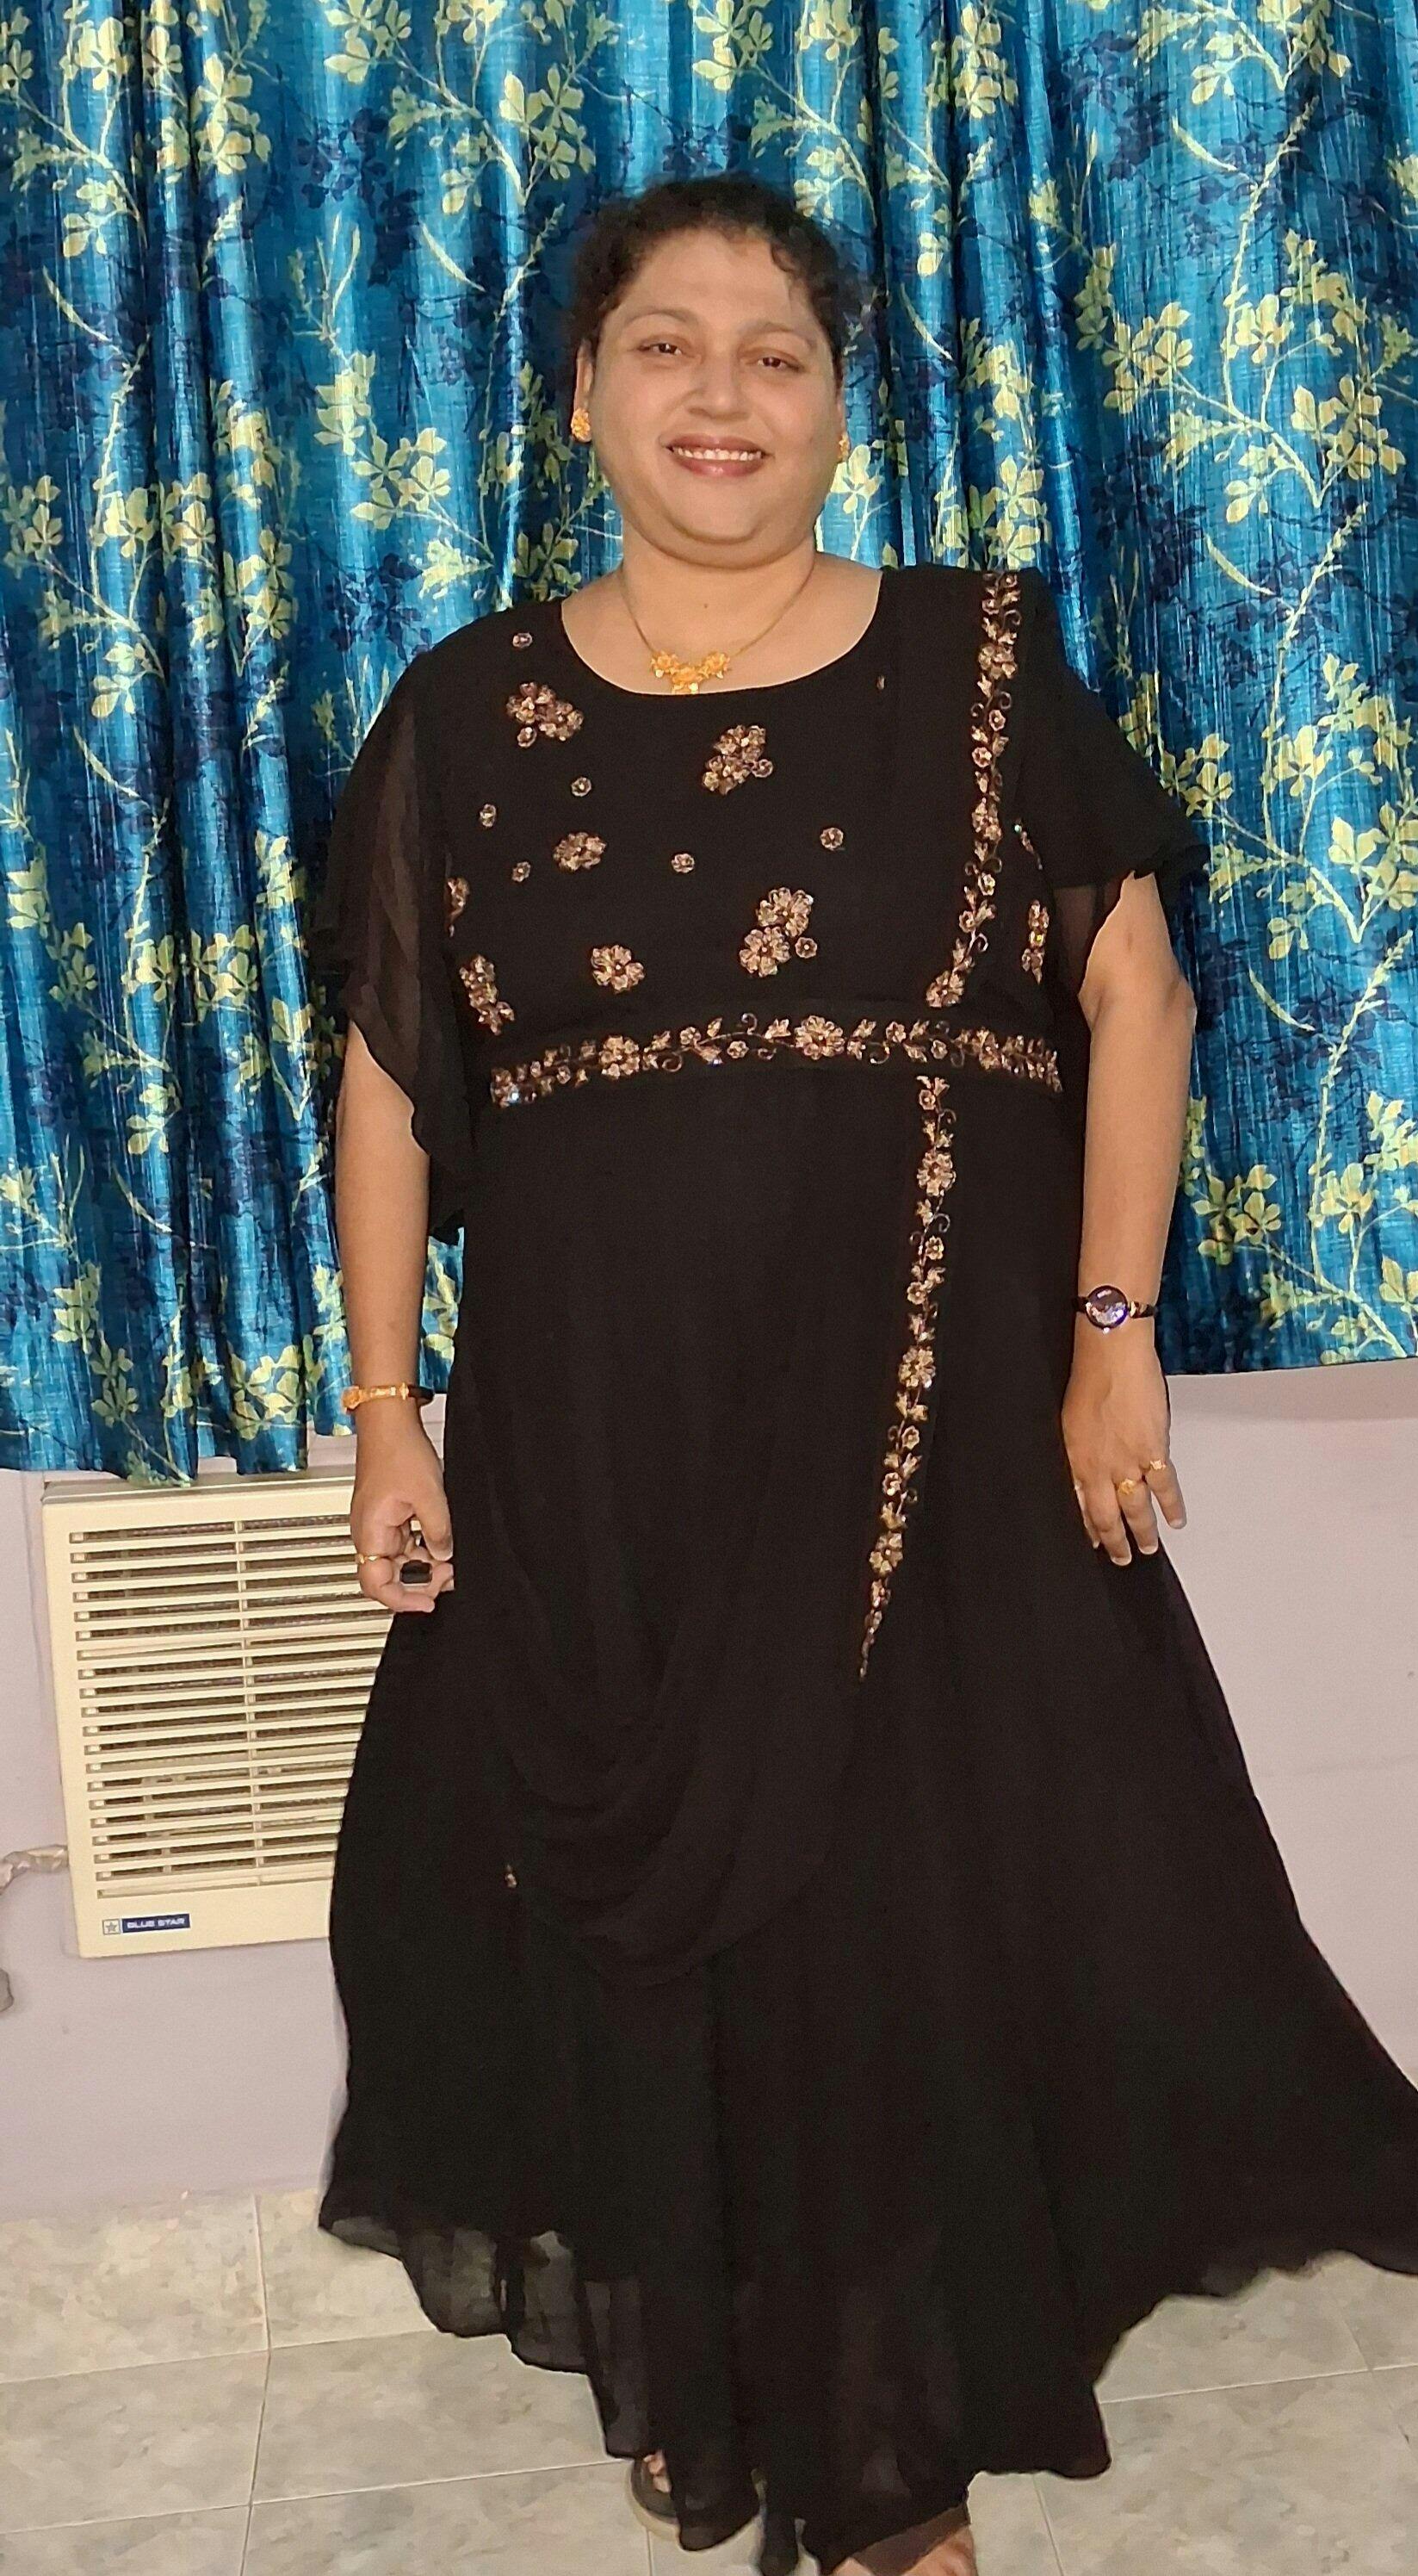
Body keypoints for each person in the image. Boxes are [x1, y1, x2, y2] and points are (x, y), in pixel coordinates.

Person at [309, 171, 1418, 2576]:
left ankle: (889, 2471)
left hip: (931, 1434)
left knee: (898, 1936)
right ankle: (722, 2346)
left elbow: (1137, 995)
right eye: (666, 346)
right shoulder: (464, 713)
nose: (720, 395)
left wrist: (1113, 1342)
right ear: (582, 395)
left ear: (839, 409)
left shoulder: (979, 660)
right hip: (595, 1441)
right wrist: (388, 1417)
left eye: (778, 355)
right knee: (615, 1930)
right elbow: (393, 1078)